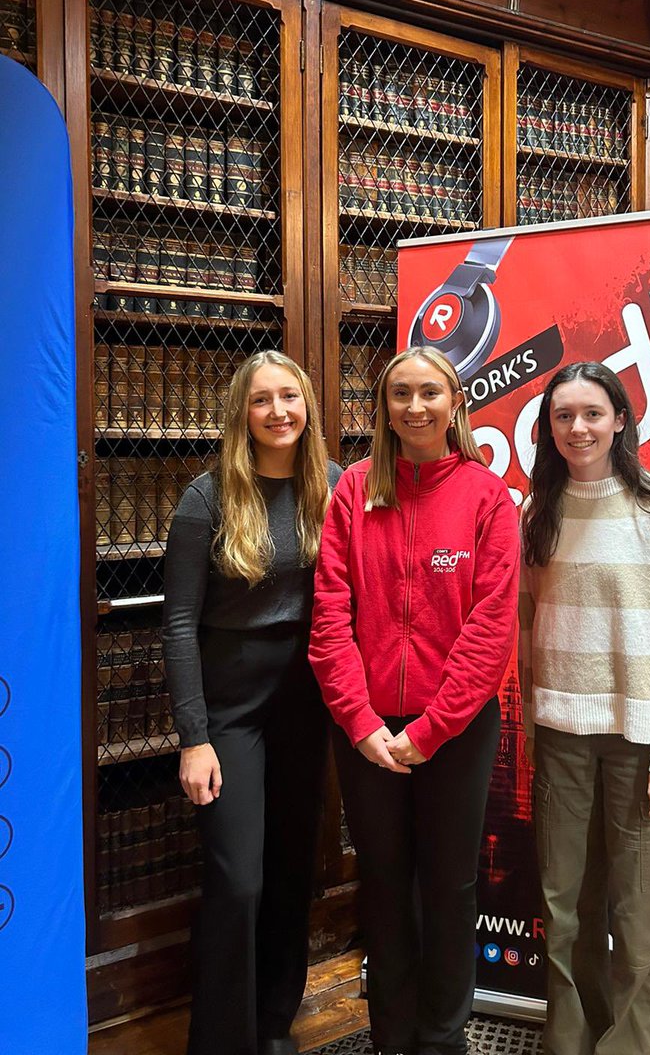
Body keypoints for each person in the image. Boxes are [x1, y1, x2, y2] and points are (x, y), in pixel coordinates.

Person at [308, 346, 519, 1055]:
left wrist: (430, 730)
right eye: (401, 394)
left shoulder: (488, 497)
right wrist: (362, 723)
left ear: (456, 403)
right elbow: (330, 617)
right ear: (385, 408)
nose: (416, 406)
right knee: (386, 886)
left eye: (431, 392)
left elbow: (491, 629)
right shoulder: (355, 491)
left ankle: (442, 1038)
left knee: (451, 888)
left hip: (455, 730)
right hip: (366, 732)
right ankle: (390, 1036)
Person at [518, 361, 650, 1055]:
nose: (578, 428)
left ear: (622, 419)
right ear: (549, 428)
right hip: (560, 740)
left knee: (642, 920)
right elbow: (527, 630)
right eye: (563, 416)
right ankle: (571, 1043)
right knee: (564, 911)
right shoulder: (535, 513)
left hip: (641, 743)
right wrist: (533, 734)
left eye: (592, 413)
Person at [162, 350, 342, 1055]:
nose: (278, 412)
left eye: (289, 397)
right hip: (229, 708)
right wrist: (193, 735)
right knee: (238, 880)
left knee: (294, 871)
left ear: (307, 407)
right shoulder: (206, 499)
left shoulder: (331, 485)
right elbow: (178, 623)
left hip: (306, 701)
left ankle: (274, 1028)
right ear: (242, 412)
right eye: (262, 400)